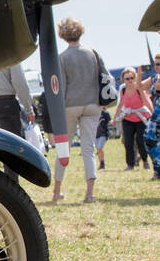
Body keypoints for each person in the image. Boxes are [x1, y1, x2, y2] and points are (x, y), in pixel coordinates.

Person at [51, 17, 102, 204]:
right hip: (92, 103)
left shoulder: (62, 58)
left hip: (70, 104)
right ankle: (90, 193)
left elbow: (61, 87)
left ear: (63, 35)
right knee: (88, 148)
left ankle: (57, 191)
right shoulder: (92, 53)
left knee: (64, 148)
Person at [113, 67, 154, 171]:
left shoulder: (139, 89)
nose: (130, 80)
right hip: (128, 118)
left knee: (141, 141)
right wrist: (115, 118)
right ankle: (130, 165)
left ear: (135, 77)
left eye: (132, 78)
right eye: (127, 79)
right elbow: (120, 104)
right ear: (123, 80)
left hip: (141, 118)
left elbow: (146, 102)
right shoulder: (123, 89)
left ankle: (145, 161)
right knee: (128, 142)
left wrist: (153, 113)